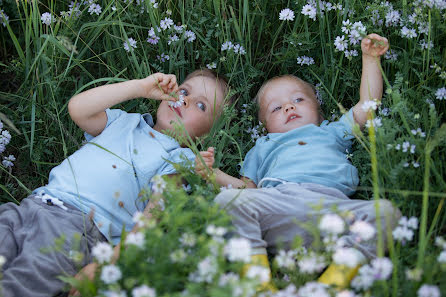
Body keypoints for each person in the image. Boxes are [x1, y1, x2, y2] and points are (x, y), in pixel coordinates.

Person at [0, 69, 230, 297]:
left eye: (202, 106)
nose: (186, 100)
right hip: (31, 205)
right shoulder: (124, 121)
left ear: (206, 135)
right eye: (184, 91)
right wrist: (140, 87)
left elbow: (150, 219)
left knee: (21, 284)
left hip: (75, 228)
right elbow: (78, 109)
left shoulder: (179, 161)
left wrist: (109, 263)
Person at [195, 34, 400, 288]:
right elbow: (248, 191)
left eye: (298, 100)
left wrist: (370, 60)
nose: (289, 108)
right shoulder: (263, 147)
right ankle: (258, 283)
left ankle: (330, 285)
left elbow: (367, 106)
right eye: (276, 108)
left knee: (386, 213)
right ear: (265, 127)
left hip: (332, 211)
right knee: (226, 201)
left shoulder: (331, 131)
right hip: (279, 208)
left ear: (318, 109)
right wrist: (214, 174)